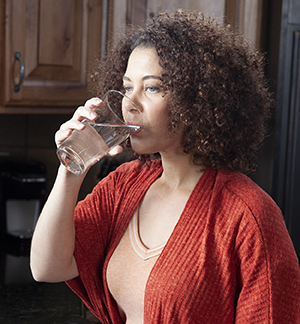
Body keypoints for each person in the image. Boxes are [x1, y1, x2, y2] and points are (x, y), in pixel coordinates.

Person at [30, 10, 300, 324]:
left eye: (153, 88)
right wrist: (71, 170)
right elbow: (47, 267)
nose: (130, 104)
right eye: (128, 87)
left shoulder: (248, 214)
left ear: (198, 98)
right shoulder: (125, 185)